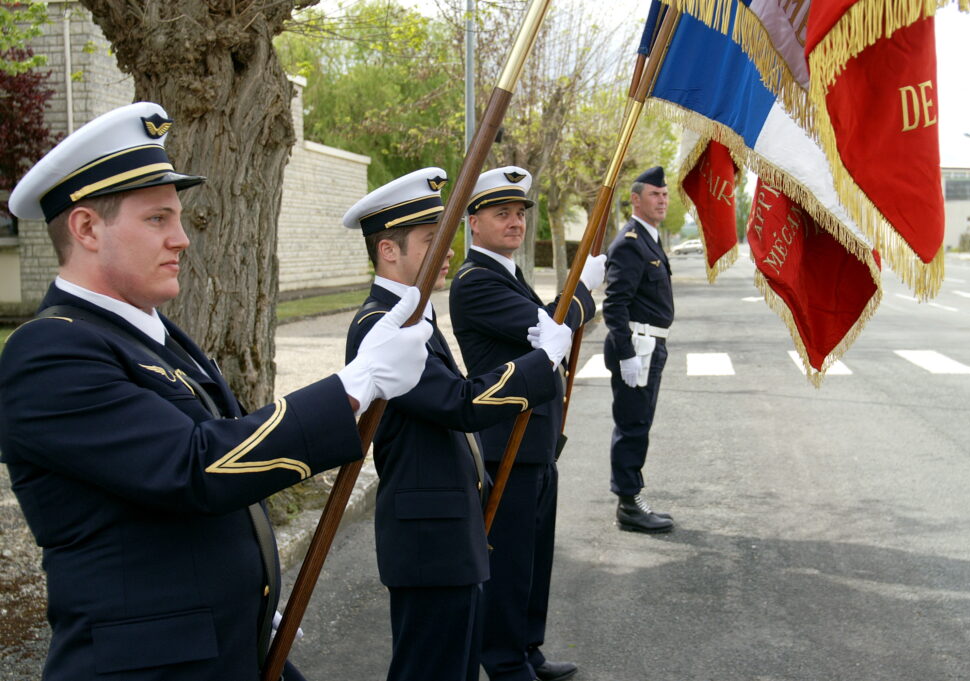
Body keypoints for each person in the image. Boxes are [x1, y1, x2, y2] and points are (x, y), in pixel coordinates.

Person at [0, 102, 433, 681]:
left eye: (178, 218)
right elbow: (194, 467)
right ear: (85, 228)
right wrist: (357, 384)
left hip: (219, 646)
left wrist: (248, 602)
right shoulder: (48, 353)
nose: (182, 238)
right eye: (157, 219)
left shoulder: (154, 336)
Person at [342, 167, 574, 681]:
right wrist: (539, 365)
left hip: (447, 525)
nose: (447, 250)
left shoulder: (410, 314)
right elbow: (459, 404)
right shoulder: (381, 325)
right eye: (432, 239)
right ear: (388, 251)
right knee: (430, 668)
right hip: (427, 533)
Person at [448, 166, 603, 681]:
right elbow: (549, 332)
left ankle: (527, 650)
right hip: (504, 440)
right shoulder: (474, 281)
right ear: (474, 222)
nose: (515, 223)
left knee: (534, 558)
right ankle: (506, 663)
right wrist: (581, 290)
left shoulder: (507, 273)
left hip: (533, 437)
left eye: (519, 214)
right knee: (509, 562)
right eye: (501, 213)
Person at [603, 166, 676, 533]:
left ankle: (631, 497)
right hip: (637, 346)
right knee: (632, 425)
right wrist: (627, 355)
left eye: (664, 195)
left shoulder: (649, 239)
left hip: (650, 345)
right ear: (635, 199)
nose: (662, 200)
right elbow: (614, 304)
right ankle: (629, 504)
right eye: (654, 194)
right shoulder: (630, 243)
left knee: (640, 423)